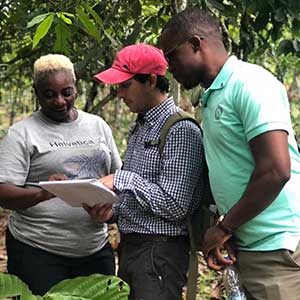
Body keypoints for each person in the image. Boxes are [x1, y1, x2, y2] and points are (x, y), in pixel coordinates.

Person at [159, 7, 300, 300]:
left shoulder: (250, 84)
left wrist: (224, 227)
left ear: (196, 44)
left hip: (277, 248)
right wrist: (228, 230)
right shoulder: (212, 97)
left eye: (171, 55)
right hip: (251, 245)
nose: (168, 66)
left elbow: (276, 170)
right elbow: (233, 170)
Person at [87, 43, 204, 300]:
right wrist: (111, 211)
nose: (119, 94)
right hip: (132, 247)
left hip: (160, 252)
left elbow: (174, 205)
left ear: (151, 81)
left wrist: (122, 179)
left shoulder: (180, 130)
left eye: (126, 85)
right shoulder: (141, 126)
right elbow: (142, 197)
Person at [0, 54, 122, 295]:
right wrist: (42, 194)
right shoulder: (22, 134)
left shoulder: (97, 126)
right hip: (37, 251)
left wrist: (109, 209)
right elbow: (3, 193)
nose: (59, 101)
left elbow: (118, 177)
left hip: (94, 250)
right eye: (49, 94)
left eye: (67, 92)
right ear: (36, 92)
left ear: (76, 87)